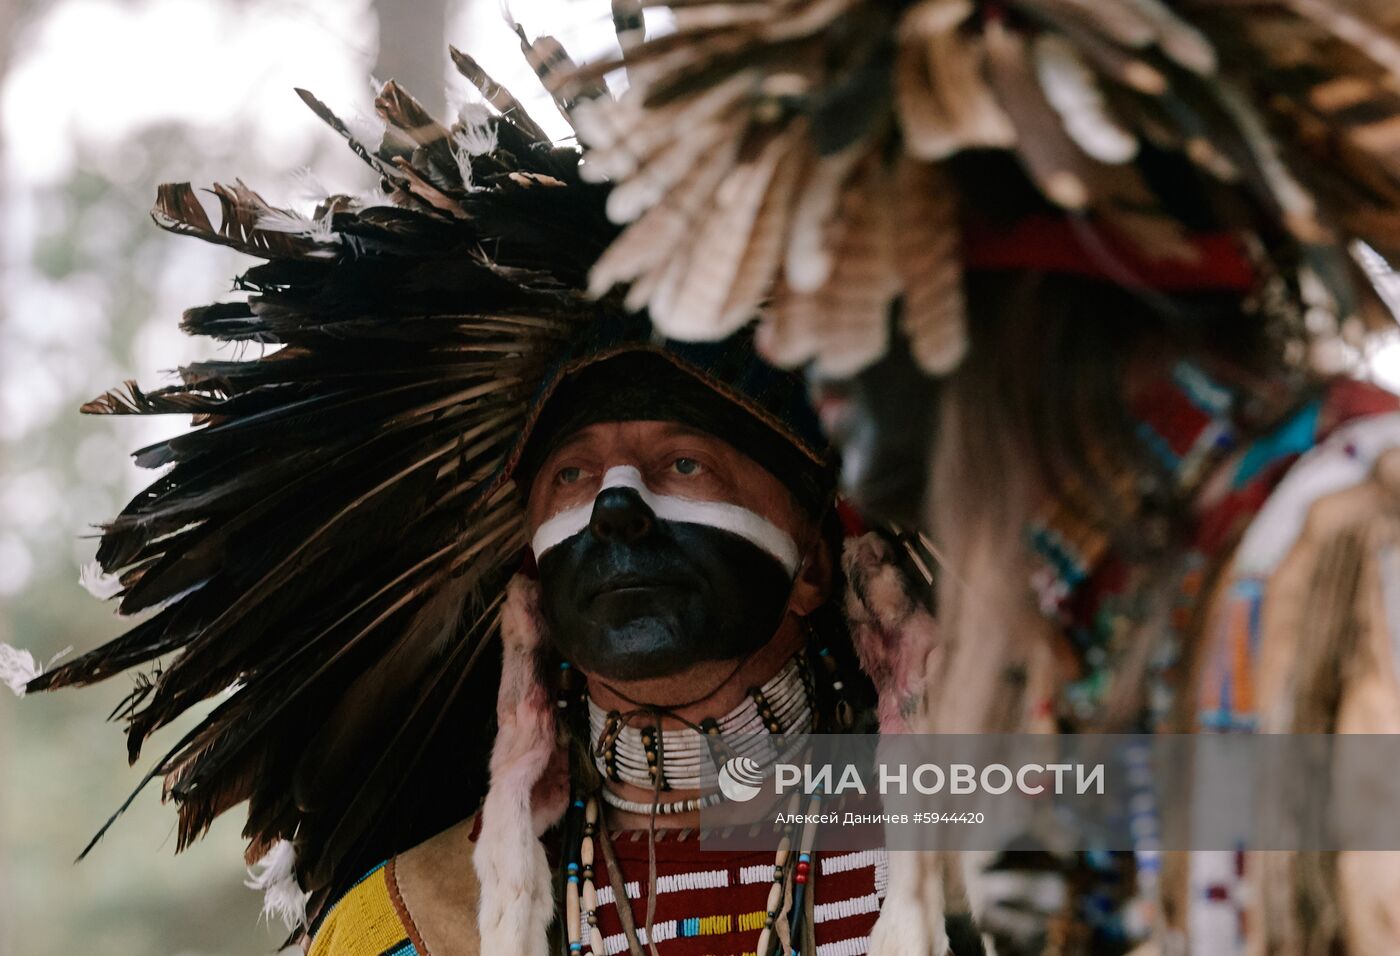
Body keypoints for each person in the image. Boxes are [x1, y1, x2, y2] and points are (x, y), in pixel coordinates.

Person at [0, 37, 955, 956]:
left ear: (816, 562)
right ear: (530, 578)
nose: (616, 506)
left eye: (682, 465)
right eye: (571, 476)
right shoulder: (409, 925)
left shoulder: (998, 848)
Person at [575, 0, 1400, 952]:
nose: (795, 353)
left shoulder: (1356, 555)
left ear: (995, 298)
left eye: (837, 291)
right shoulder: (1106, 608)